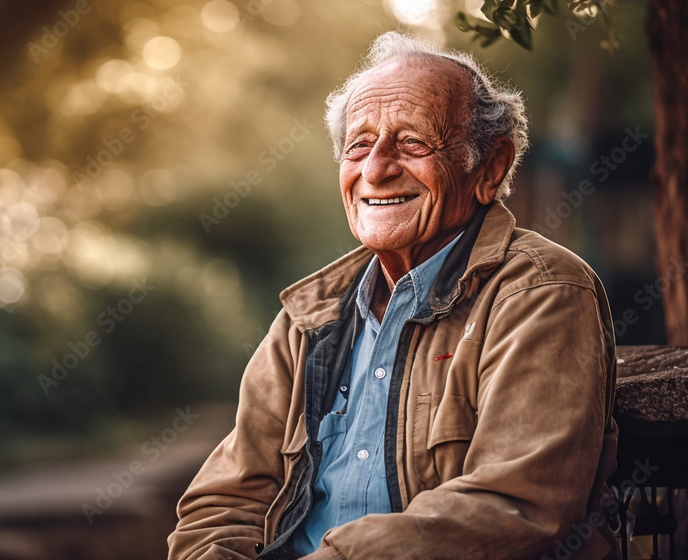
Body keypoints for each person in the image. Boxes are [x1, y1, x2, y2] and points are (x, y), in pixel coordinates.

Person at [167, 32, 619, 560]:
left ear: (490, 169)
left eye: (412, 142)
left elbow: (517, 504)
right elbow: (223, 501)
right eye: (359, 144)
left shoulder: (541, 293)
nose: (376, 168)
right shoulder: (309, 318)